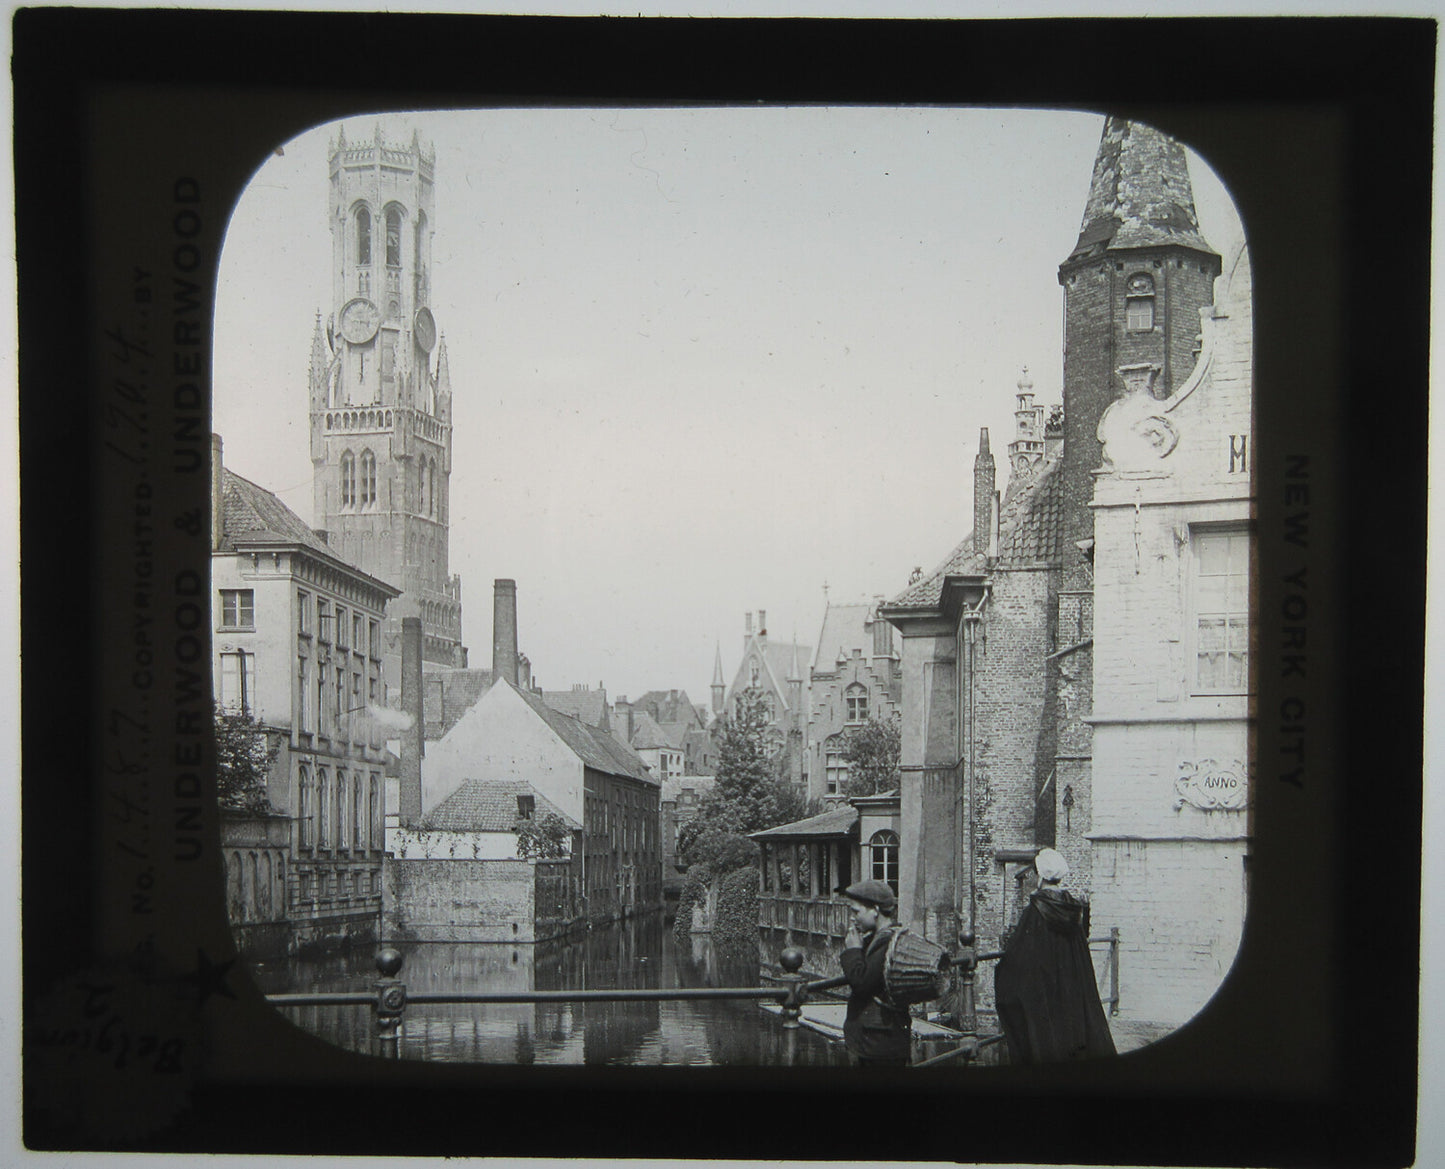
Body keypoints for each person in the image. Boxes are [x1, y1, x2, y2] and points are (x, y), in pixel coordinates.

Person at [994, 848, 1116, 1064]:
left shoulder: (1035, 911)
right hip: (1071, 990)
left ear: (1040, 876)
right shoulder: (1072, 909)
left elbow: (1018, 958)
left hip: (1047, 991)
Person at [837, 878, 912, 1066]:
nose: (852, 918)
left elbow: (862, 983)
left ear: (876, 911)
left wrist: (852, 950)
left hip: (878, 1045)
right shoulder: (885, 939)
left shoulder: (887, 944)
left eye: (856, 911)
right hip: (881, 1040)